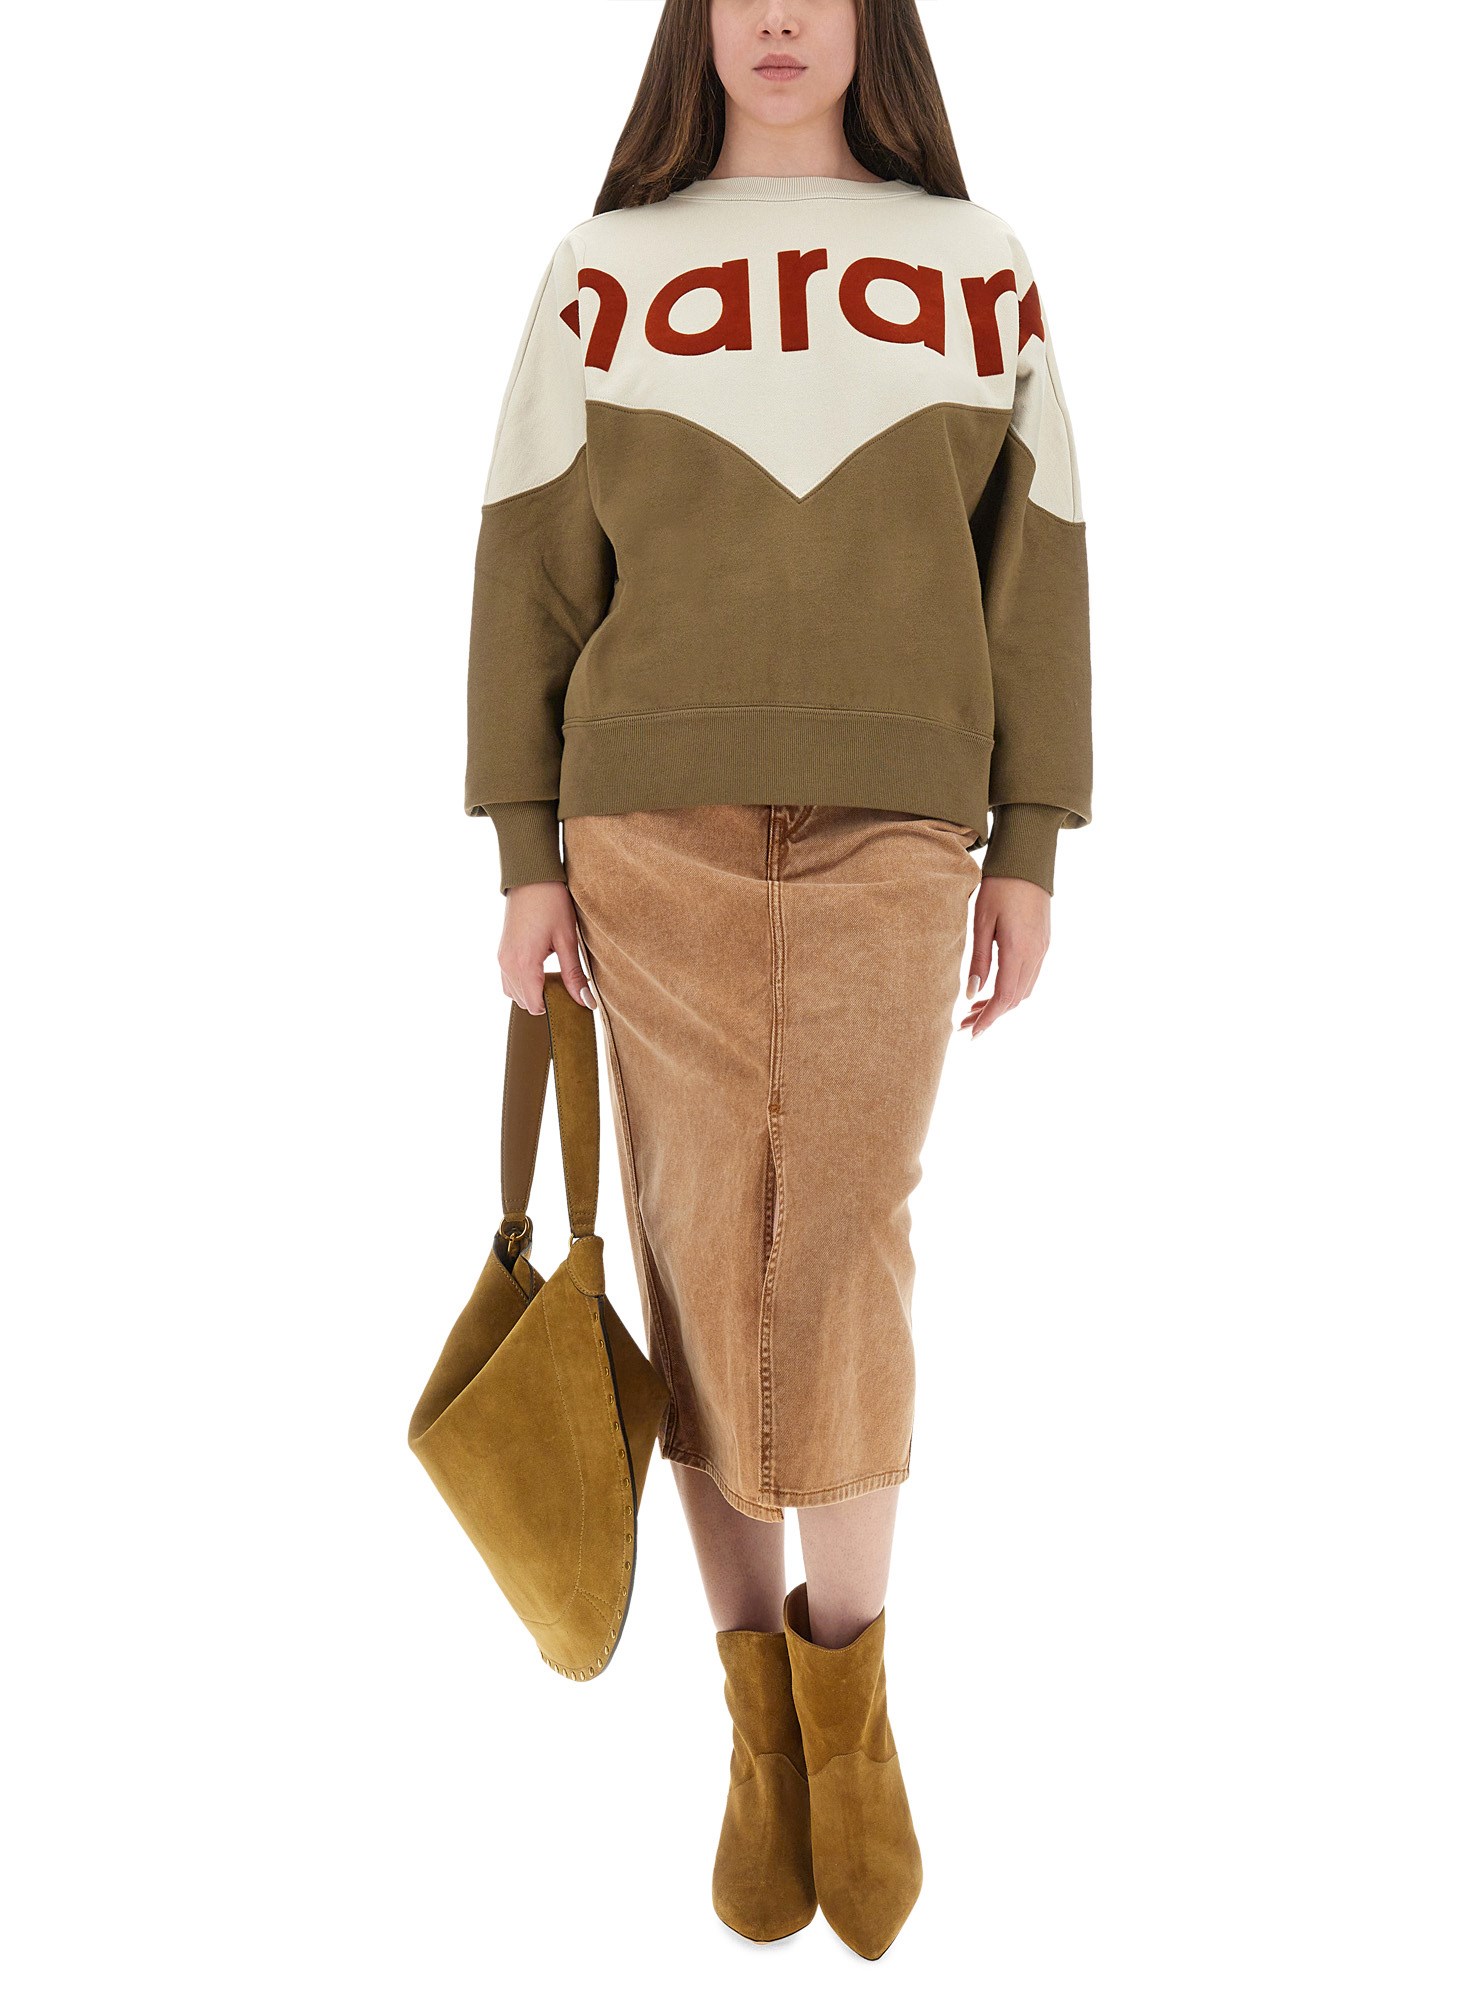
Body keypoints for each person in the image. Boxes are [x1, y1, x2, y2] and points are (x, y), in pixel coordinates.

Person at [462, 0, 1091, 1961]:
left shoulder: (977, 266)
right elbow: (527, 569)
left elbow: (1041, 566)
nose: (783, 14)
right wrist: (525, 849)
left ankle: (853, 1696)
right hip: (642, 822)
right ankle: (760, 1730)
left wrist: (1031, 840)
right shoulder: (603, 271)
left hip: (901, 821)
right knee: (690, 1249)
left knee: (839, 1239)